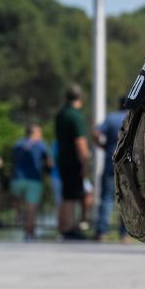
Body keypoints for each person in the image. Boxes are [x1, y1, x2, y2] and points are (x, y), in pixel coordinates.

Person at [54, 84, 90, 240]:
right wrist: (85, 162)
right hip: (73, 160)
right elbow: (80, 141)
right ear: (80, 97)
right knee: (72, 196)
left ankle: (63, 227)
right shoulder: (76, 116)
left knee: (66, 194)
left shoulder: (61, 114)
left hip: (62, 158)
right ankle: (68, 228)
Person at [92, 100, 127, 241]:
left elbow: (96, 132)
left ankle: (102, 232)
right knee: (127, 199)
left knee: (106, 198)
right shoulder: (134, 117)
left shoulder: (111, 118)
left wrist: (103, 145)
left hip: (110, 162)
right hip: (128, 165)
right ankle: (124, 234)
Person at [9, 124, 52, 240]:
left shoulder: (17, 144)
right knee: (31, 207)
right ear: (36, 133)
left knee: (16, 200)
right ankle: (29, 233)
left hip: (17, 178)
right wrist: (47, 173)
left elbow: (12, 160)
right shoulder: (41, 145)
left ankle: (20, 215)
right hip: (34, 179)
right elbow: (48, 162)